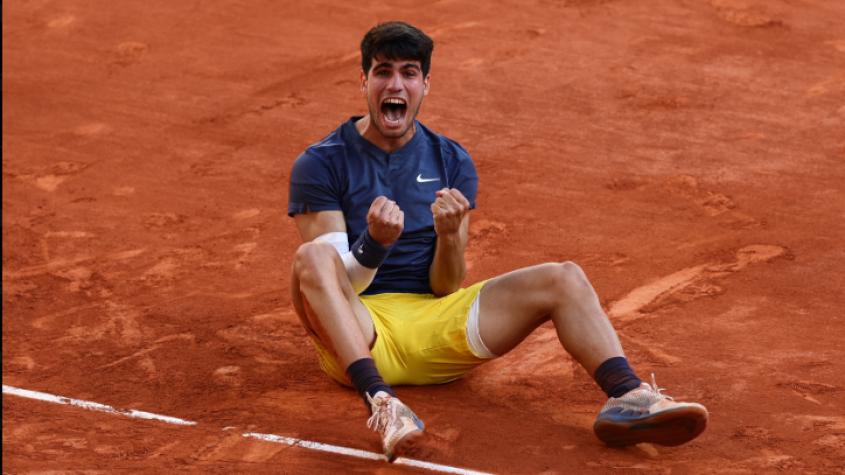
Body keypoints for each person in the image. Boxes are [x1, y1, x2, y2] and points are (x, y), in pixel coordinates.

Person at [287, 21, 708, 462]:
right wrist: (373, 245)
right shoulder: (321, 164)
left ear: (425, 85)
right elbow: (334, 286)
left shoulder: (451, 160)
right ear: (364, 81)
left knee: (564, 277)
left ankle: (628, 396)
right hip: (359, 332)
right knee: (312, 257)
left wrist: (450, 235)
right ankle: (383, 404)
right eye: (383, 71)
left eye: (409, 72)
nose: (396, 83)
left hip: (433, 328)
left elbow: (446, 287)